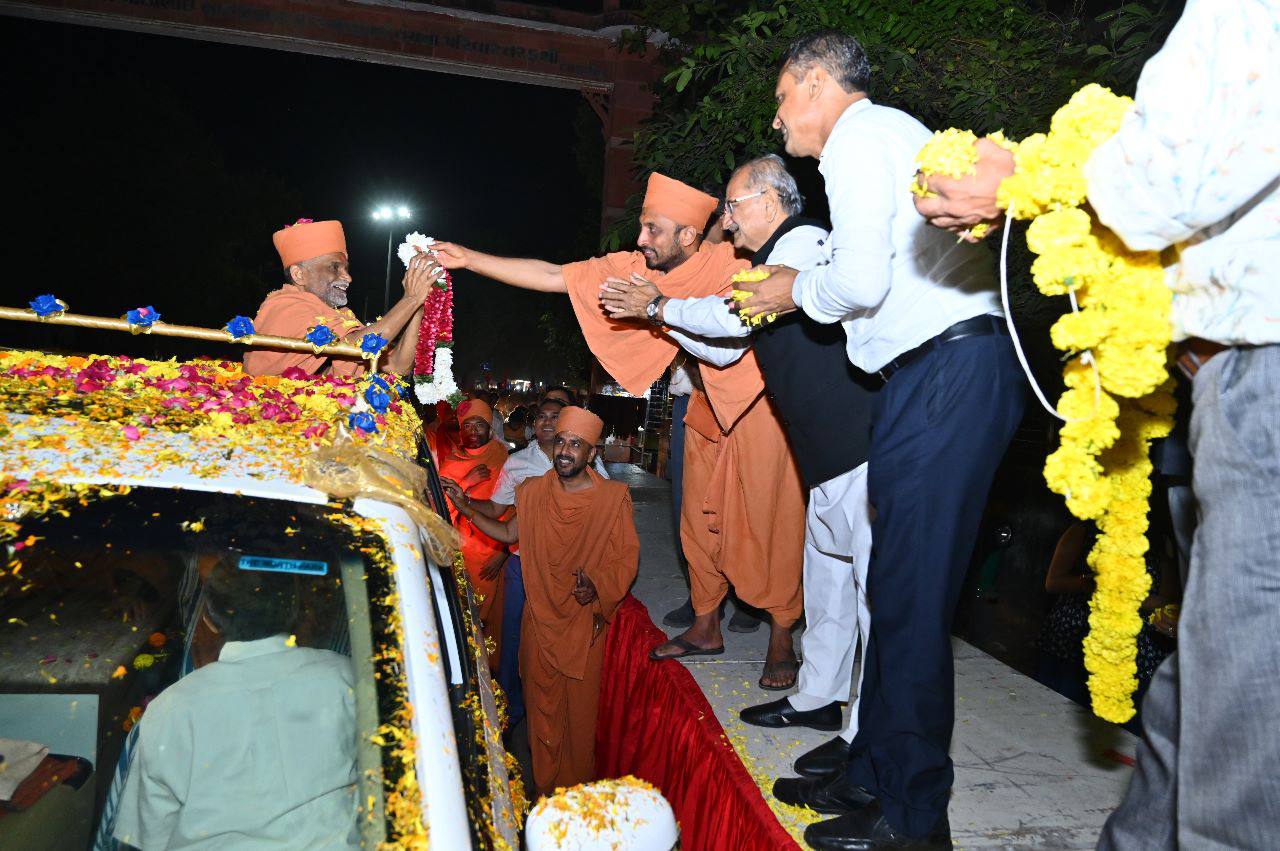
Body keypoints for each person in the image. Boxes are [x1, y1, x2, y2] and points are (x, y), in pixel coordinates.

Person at [916, 2, 1279, 846]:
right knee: (1204, 687)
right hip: (1230, 376)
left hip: (1264, 380)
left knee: (1243, 742)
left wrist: (1024, 176)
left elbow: (1175, 176)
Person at [734, 32, 1026, 849]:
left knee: (909, 601)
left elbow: (859, 281)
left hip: (947, 370)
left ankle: (913, 815)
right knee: (894, 595)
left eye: (783, 97)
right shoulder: (883, 137)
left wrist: (794, 290)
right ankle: (871, 774)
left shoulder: (861, 139)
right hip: (929, 373)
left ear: (816, 83)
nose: (778, 117)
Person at [431, 173, 806, 689]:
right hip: (703, 406)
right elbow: (554, 275)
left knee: (770, 521)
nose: (640, 239)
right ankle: (706, 626)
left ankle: (782, 634)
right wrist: (470, 259)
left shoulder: (733, 267)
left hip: (758, 407)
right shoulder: (634, 268)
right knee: (697, 524)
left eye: (653, 230)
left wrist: (656, 308)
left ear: (689, 236)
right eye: (643, 227)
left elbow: (729, 346)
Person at [601, 155, 877, 760]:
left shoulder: (802, 245)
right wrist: (661, 315)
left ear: (769, 203)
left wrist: (657, 308)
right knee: (828, 583)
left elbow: (728, 317)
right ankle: (818, 698)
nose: (725, 220)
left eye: (732, 206)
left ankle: (868, 737)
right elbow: (725, 349)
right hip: (821, 451)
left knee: (871, 594)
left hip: (855, 445)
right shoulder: (769, 259)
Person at [443, 407, 639, 796]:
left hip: (583, 626)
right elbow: (508, 532)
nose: (565, 451)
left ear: (592, 453)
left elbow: (625, 560)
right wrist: (465, 507)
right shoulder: (532, 491)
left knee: (579, 716)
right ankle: (545, 791)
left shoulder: (613, 498)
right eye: (561, 442)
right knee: (540, 711)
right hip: (539, 621)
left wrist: (596, 586)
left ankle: (575, 794)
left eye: (576, 445)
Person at [113, 560, 357, 849]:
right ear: (294, 610)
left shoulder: (172, 707)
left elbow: (150, 835)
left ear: (209, 620)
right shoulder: (347, 676)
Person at [461, 398, 610, 726]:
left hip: (568, 571)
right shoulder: (517, 464)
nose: (547, 422)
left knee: (555, 644)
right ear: (533, 423)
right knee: (514, 638)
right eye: (541, 416)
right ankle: (512, 712)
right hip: (524, 565)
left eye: (555, 417)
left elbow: (604, 509)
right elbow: (499, 513)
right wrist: (464, 501)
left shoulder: (585, 464)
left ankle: (550, 712)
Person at [244, 218, 436, 377]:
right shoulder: (285, 306)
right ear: (299, 274)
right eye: (334, 267)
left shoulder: (338, 316)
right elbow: (359, 347)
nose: (348, 277)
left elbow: (398, 366)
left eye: (346, 269)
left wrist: (418, 304)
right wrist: (410, 299)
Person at [437, 398, 510, 667]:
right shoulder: (450, 463)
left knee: (490, 621)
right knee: (464, 619)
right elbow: (439, 513)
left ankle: (488, 675)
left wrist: (503, 553)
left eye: (479, 425)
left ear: (490, 429)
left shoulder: (503, 459)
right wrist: (467, 483)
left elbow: (514, 509)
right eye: (467, 425)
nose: (473, 431)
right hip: (461, 553)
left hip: (495, 551)